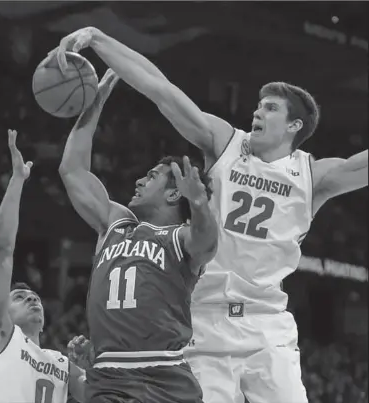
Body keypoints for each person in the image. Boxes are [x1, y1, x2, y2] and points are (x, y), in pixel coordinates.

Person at [50, 26, 368, 403]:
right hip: (203, 316)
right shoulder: (224, 142)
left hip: (266, 323)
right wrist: (97, 39)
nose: (257, 110)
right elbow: (160, 89)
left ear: (294, 126)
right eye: (258, 103)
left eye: (270, 107)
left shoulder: (315, 176)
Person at [58, 68, 218, 403]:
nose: (139, 181)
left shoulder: (181, 237)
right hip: (110, 376)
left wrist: (200, 202)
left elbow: (208, 242)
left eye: (152, 176)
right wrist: (96, 101)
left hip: (166, 376)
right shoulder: (115, 223)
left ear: (175, 195)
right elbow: (72, 170)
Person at [0, 130, 86, 403]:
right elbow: (1, 251)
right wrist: (17, 180)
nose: (32, 299)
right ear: (3, 310)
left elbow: (102, 396)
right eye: (20, 297)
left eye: (34, 297)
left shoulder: (61, 363)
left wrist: (90, 366)